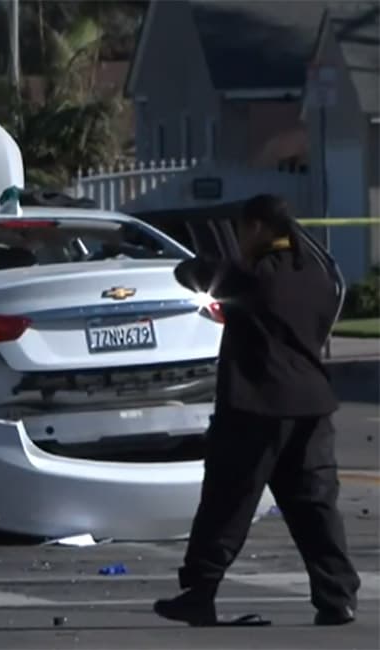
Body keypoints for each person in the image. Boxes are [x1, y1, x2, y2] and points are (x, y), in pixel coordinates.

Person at [153, 194, 360, 626]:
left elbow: (190, 273)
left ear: (260, 228)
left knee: (227, 502)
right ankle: (336, 596)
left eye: (244, 230)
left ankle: (199, 591)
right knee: (315, 507)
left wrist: (206, 257)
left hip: (256, 407)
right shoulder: (317, 277)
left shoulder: (250, 275)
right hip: (312, 408)